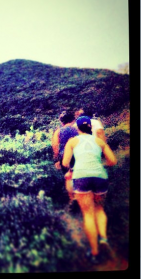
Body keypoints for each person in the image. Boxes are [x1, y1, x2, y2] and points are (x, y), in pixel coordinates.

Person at [62, 116, 117, 264]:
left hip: (81, 177)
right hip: (100, 175)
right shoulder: (99, 141)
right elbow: (113, 161)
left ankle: (94, 252)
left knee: (87, 214)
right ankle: (104, 239)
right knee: (99, 209)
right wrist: (98, 164)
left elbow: (65, 162)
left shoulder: (72, 142)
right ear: (90, 128)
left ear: (77, 128)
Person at [51, 111, 78, 200]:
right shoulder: (77, 129)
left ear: (61, 121)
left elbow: (55, 146)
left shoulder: (58, 131)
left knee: (68, 176)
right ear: (73, 120)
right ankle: (80, 195)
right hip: (78, 155)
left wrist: (57, 159)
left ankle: (72, 198)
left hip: (64, 156)